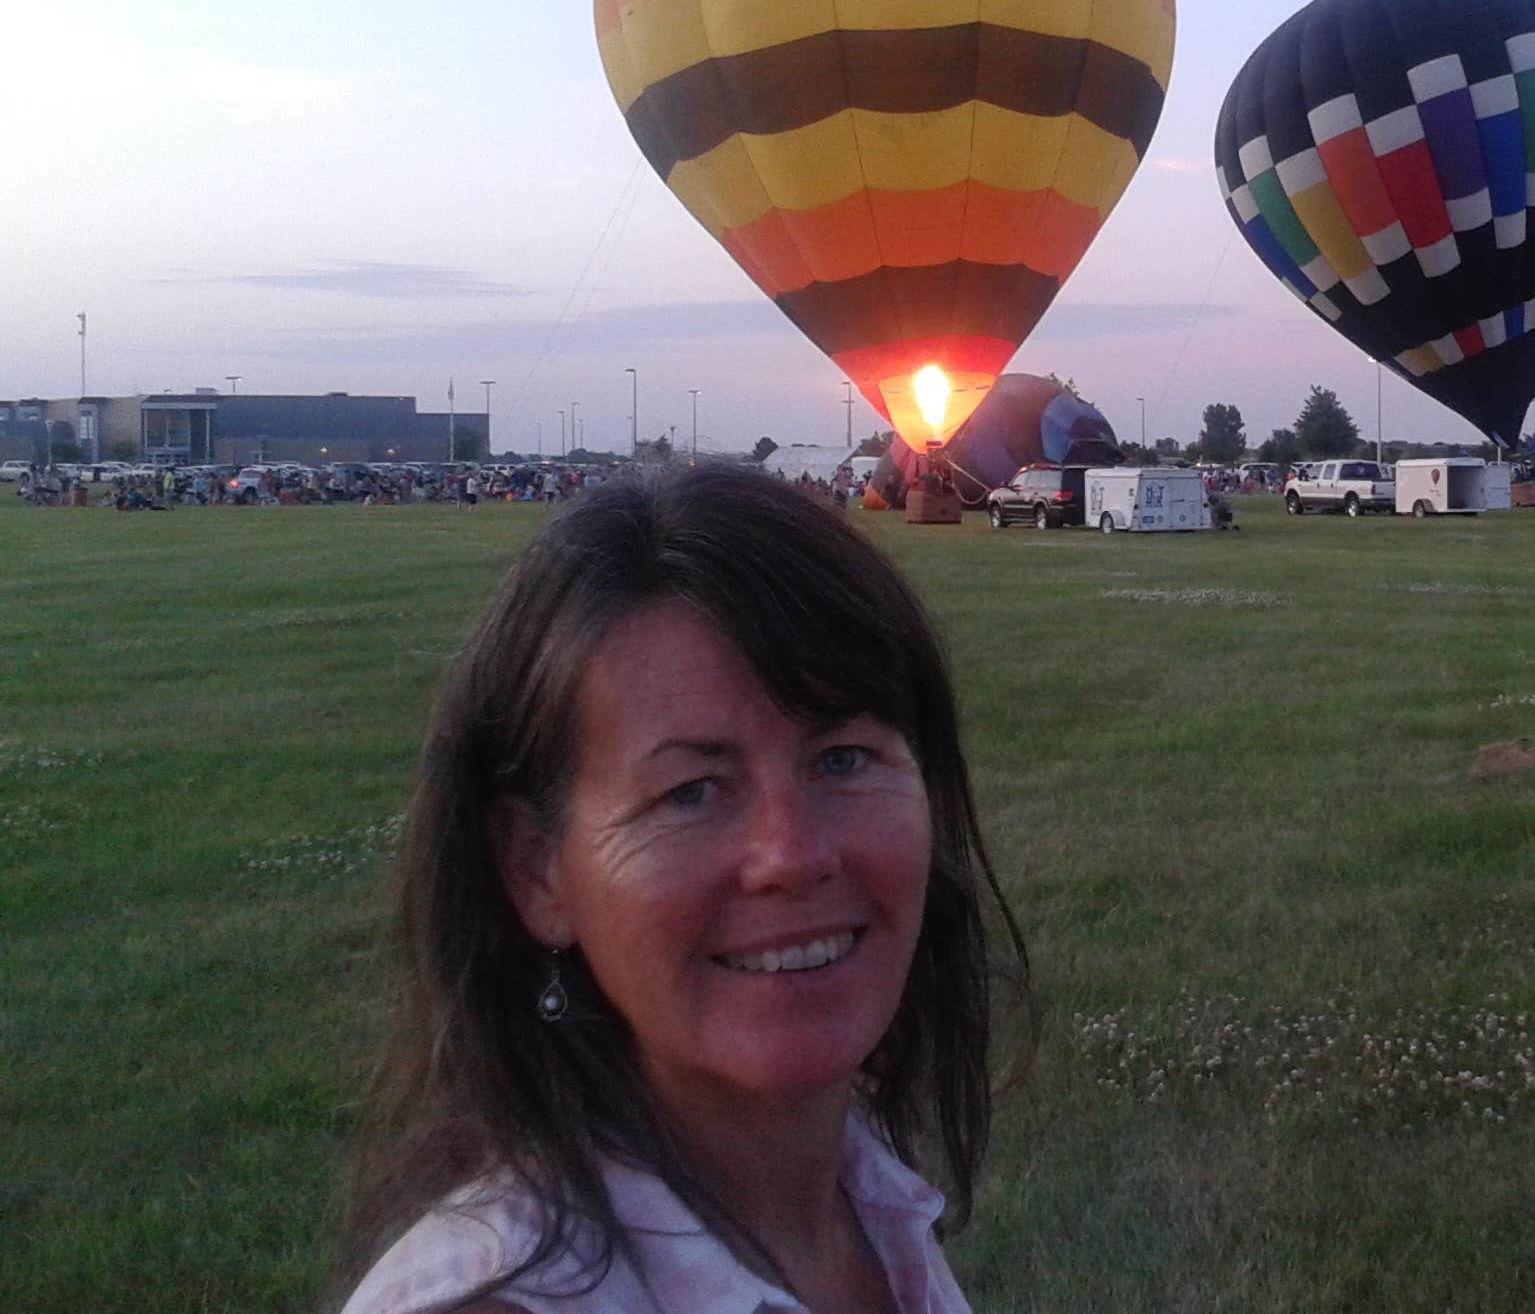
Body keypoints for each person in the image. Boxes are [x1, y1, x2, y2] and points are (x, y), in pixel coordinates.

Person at [335, 466, 1026, 1314]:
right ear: (537, 872)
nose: (792, 856)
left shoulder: (864, 1203)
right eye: (690, 792)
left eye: (843, 759)